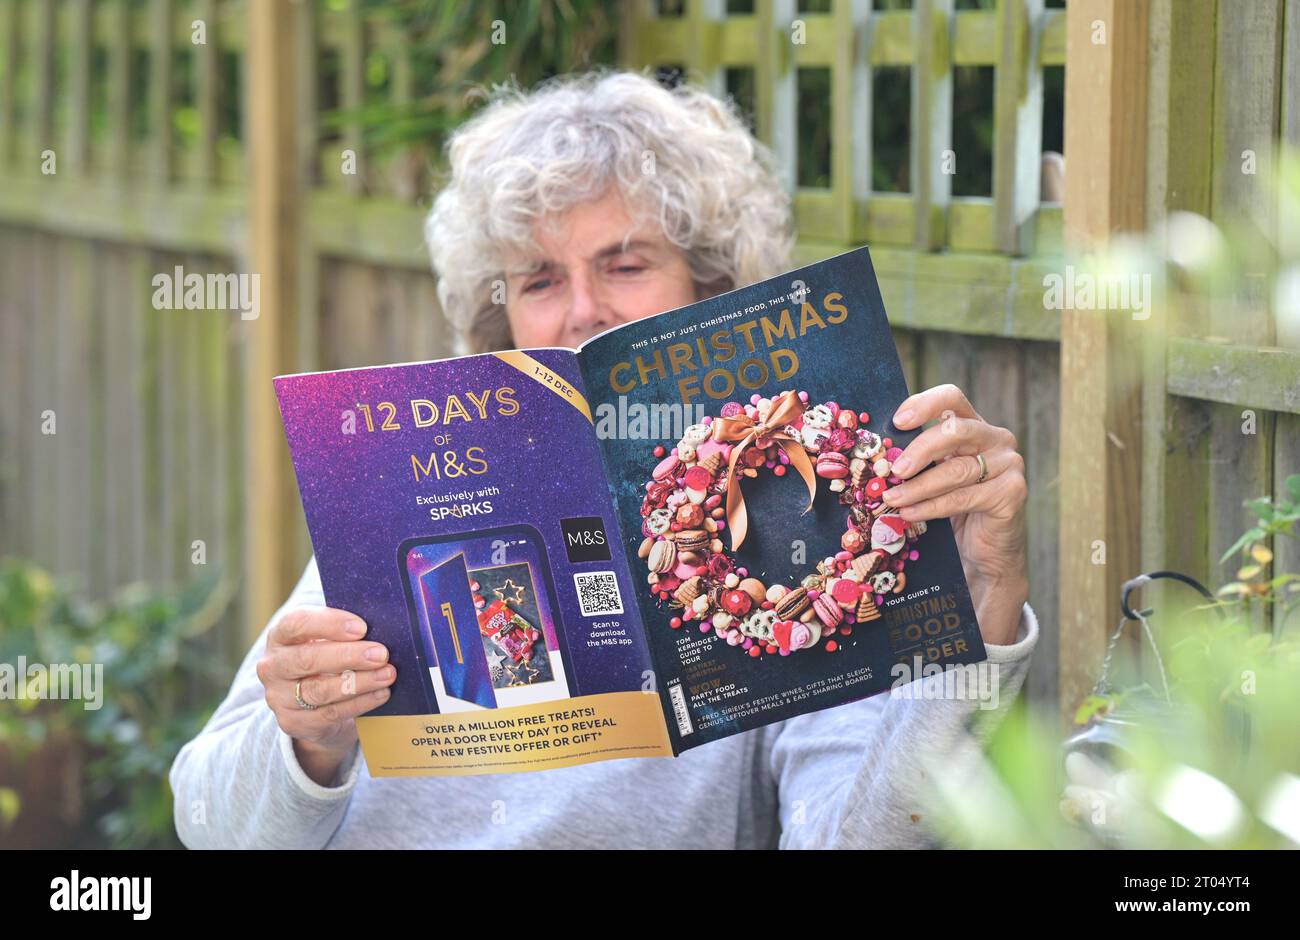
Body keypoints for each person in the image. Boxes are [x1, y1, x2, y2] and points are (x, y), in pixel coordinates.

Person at [169, 70, 1038, 849]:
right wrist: (307, 744)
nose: (582, 312)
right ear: (500, 316)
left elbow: (868, 841)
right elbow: (206, 825)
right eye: (540, 281)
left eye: (624, 265)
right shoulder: (423, 494)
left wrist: (985, 607)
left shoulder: (806, 531)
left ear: (710, 287)